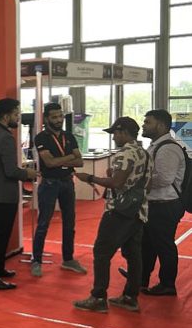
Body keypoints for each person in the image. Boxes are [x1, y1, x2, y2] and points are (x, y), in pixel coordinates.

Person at [73, 117, 151, 313]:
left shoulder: (125, 154)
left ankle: (98, 297)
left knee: (102, 252)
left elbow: (116, 183)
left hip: (119, 211)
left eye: (115, 133)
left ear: (123, 132)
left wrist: (90, 177)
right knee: (134, 254)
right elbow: (144, 182)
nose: (114, 137)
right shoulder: (144, 152)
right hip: (138, 210)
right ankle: (130, 297)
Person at [0, 98, 39, 290]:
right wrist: (28, 174)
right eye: (16, 114)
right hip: (2, 194)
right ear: (6, 116)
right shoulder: (5, 137)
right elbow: (11, 171)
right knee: (0, 236)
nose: (19, 117)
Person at [31, 102, 86, 277]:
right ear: (46, 118)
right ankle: (36, 261)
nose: (58, 120)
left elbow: (80, 161)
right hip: (49, 184)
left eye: (60, 116)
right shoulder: (41, 138)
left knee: (70, 223)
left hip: (67, 182)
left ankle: (68, 259)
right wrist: (70, 157)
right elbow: (49, 163)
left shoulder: (69, 136)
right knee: (43, 223)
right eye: (54, 117)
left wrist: (60, 161)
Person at [136, 110, 184, 296]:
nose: (143, 125)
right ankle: (141, 278)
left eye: (148, 122)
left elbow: (164, 178)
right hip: (155, 203)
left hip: (165, 205)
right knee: (147, 243)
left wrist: (135, 180)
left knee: (164, 245)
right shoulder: (156, 146)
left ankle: (167, 284)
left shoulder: (167, 148)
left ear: (162, 125)